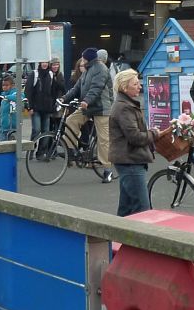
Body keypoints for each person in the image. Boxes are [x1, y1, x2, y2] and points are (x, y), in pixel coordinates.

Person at [109, 69, 162, 216]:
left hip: (128, 159)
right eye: (135, 83)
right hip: (130, 160)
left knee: (126, 208)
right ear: (125, 87)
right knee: (142, 209)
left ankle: (116, 237)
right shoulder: (124, 107)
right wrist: (154, 134)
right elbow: (135, 137)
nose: (140, 86)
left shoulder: (125, 104)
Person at [62, 48, 114, 183]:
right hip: (88, 106)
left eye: (83, 58)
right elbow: (77, 88)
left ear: (88, 59)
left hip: (102, 108)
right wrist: (64, 98)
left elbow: (96, 88)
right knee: (70, 120)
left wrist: (86, 101)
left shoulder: (101, 69)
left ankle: (107, 170)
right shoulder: (87, 70)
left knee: (104, 140)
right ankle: (72, 150)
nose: (82, 60)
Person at [26, 59, 56, 140]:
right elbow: (28, 91)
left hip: (47, 108)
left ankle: (41, 151)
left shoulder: (51, 74)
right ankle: (31, 149)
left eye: (46, 62)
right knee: (36, 130)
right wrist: (30, 107)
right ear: (39, 63)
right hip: (36, 108)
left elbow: (53, 92)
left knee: (46, 132)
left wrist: (52, 105)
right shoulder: (34, 74)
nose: (45, 64)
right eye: (43, 62)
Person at [0, 74, 18, 140]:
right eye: (3, 85)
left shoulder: (15, 93)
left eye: (6, 85)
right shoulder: (3, 95)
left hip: (11, 128)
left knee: (11, 147)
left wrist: (7, 97)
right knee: (0, 147)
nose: (4, 87)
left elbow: (19, 97)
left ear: (12, 85)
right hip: (3, 127)